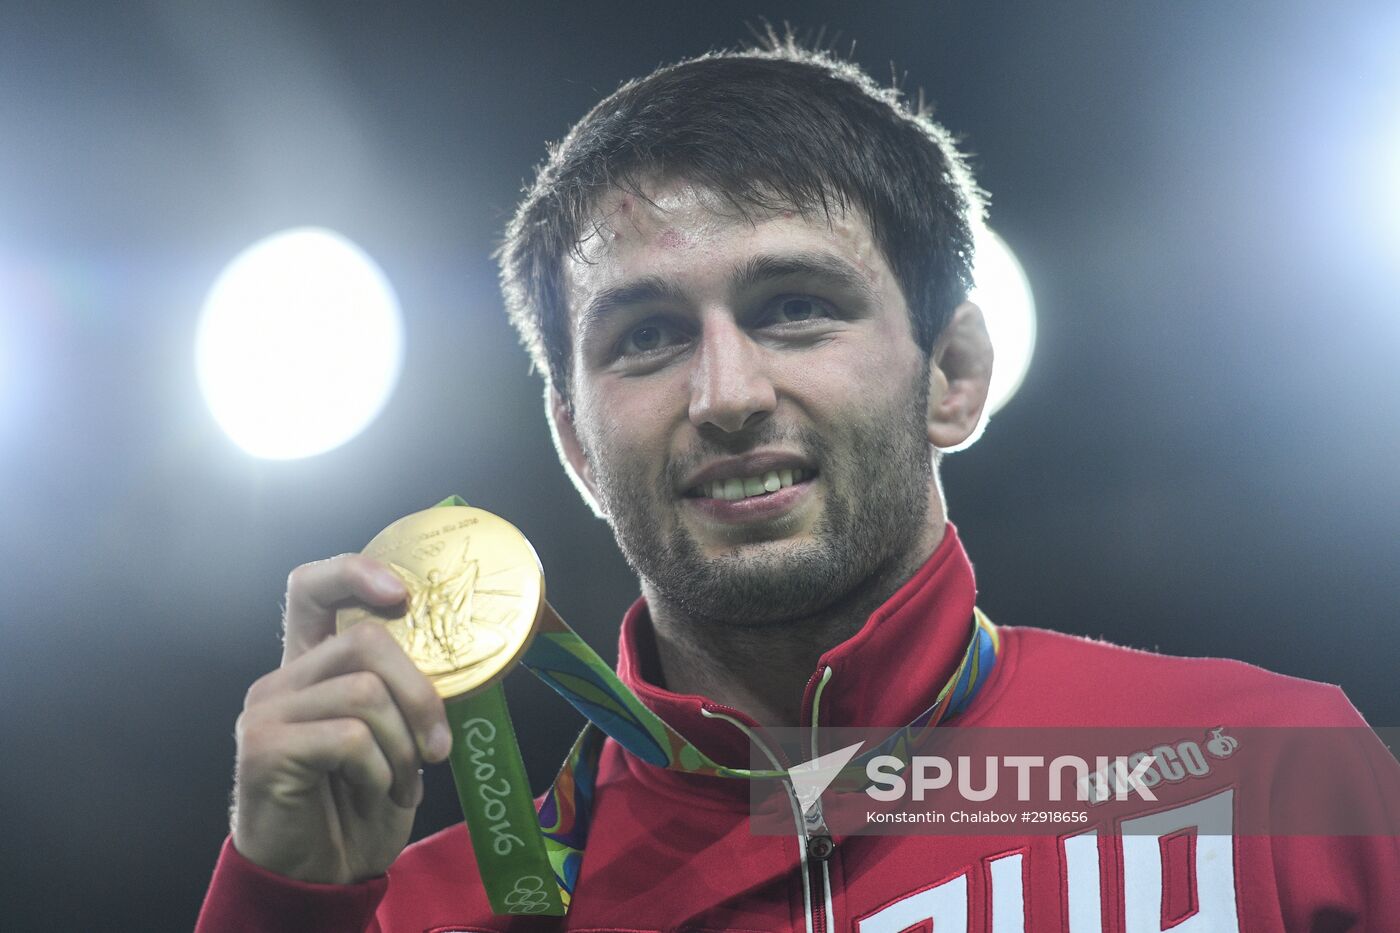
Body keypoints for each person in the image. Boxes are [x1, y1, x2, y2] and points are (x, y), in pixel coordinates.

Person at [196, 42, 1400, 932]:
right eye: (646, 336)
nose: (724, 393)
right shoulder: (436, 910)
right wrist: (282, 902)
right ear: (573, 441)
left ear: (954, 375)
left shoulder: (1268, 772)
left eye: (792, 309)